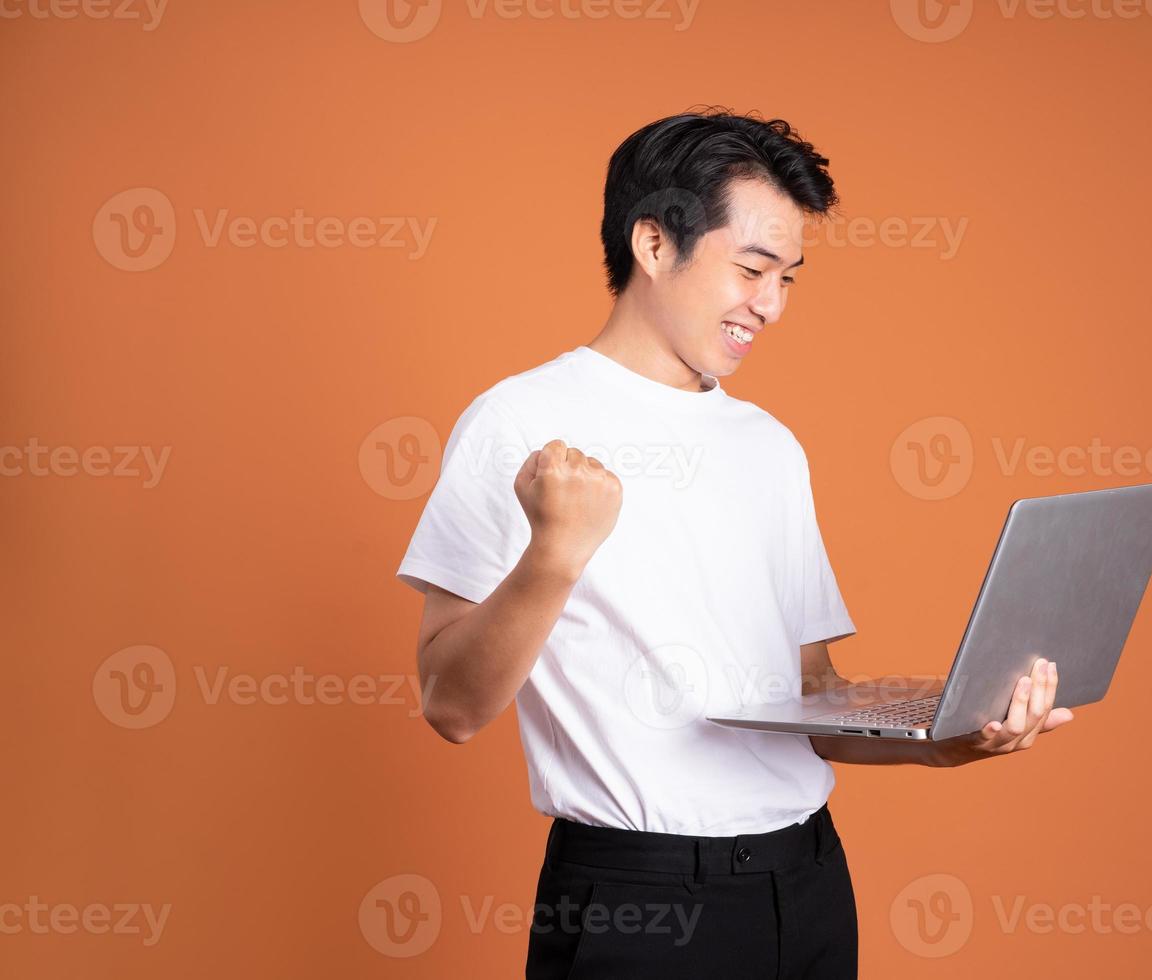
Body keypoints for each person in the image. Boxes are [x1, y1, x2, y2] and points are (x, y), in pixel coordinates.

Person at [395, 106, 1073, 979]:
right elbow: (451, 705)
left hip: (809, 880)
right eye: (752, 268)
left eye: (789, 277)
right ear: (652, 244)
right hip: (637, 901)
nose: (772, 304)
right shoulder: (517, 422)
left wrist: (949, 735)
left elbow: (814, 699)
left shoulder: (769, 444)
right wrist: (555, 554)